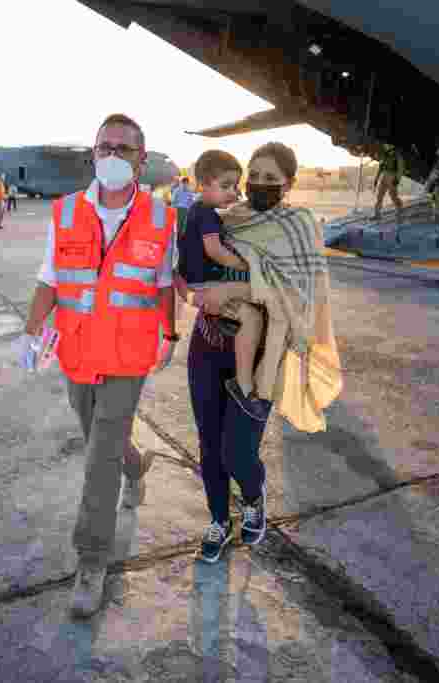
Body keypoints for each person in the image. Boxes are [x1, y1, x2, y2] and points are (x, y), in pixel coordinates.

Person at [14, 113, 178, 618]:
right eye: (105, 147)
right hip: (78, 351)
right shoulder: (66, 211)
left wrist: (171, 334)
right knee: (97, 438)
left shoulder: (162, 217)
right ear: (93, 153)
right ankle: (136, 465)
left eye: (123, 149)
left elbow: (163, 284)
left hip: (129, 354)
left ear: (141, 160)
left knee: (99, 457)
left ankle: (91, 560)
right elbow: (49, 278)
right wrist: (31, 331)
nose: (112, 156)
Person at [175, 141, 340, 564]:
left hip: (261, 356)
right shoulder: (228, 218)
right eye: (255, 176)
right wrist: (192, 295)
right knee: (209, 444)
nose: (260, 184)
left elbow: (301, 292)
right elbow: (188, 266)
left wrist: (236, 290)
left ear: (289, 183)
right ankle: (218, 519)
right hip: (208, 344)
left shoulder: (298, 225)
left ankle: (252, 494)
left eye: (271, 178)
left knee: (237, 451)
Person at [177, 150, 268, 421]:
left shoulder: (200, 209)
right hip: (204, 284)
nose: (232, 192)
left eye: (235, 186)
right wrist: (245, 266)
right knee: (252, 318)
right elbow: (214, 250)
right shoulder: (206, 213)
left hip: (201, 282)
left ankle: (226, 322)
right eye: (226, 186)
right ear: (203, 185)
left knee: (247, 310)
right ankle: (243, 384)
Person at [372, 144, 405, 223]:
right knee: (379, 195)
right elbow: (380, 168)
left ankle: (399, 214)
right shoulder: (385, 156)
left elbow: (401, 168)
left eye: (387, 146)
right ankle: (377, 214)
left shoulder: (397, 156)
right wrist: (376, 178)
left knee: (393, 196)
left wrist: (397, 179)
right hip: (384, 176)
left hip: (392, 176)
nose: (385, 146)